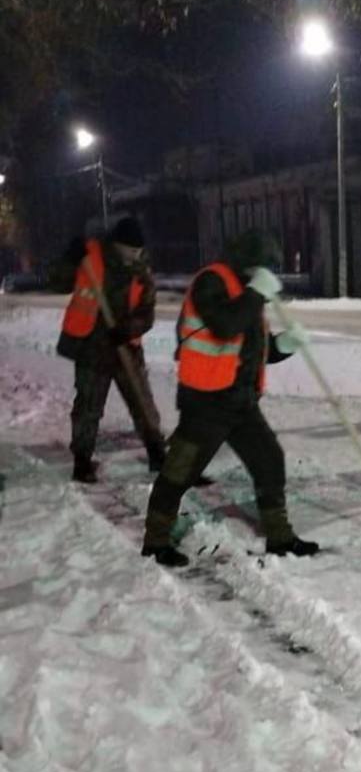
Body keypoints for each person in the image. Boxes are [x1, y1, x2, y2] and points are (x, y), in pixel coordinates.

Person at [141, 228, 319, 567]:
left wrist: (284, 345)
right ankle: (156, 540)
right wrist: (255, 294)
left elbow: (252, 351)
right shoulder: (212, 282)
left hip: (240, 403)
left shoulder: (246, 291)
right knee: (179, 471)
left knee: (269, 460)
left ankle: (279, 536)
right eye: (265, 267)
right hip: (205, 403)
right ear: (249, 262)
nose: (269, 276)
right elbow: (224, 325)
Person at [52, 217, 166, 483]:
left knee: (142, 401)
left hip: (125, 346)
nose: (134, 255)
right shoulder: (90, 256)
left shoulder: (141, 269)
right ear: (116, 245)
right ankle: (82, 461)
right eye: (129, 250)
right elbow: (58, 283)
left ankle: (157, 452)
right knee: (88, 406)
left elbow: (146, 313)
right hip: (91, 347)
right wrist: (70, 258)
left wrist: (128, 329)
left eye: (137, 251)